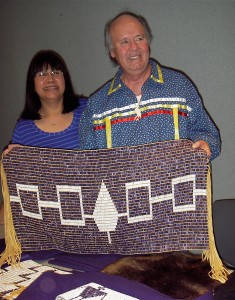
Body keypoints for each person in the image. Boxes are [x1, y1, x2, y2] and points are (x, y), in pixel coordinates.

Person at [79, 11, 221, 161]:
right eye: (124, 42)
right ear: (112, 51)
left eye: (139, 38)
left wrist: (205, 144)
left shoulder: (180, 87)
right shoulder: (96, 106)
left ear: (147, 42)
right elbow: (87, 162)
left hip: (175, 184)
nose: (134, 47)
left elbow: (208, 133)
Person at [0, 49, 87, 223]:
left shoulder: (87, 111)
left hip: (89, 213)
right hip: (46, 221)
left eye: (56, 72)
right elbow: (19, 185)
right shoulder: (23, 130)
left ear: (65, 79)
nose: (50, 79)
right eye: (41, 74)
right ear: (32, 84)